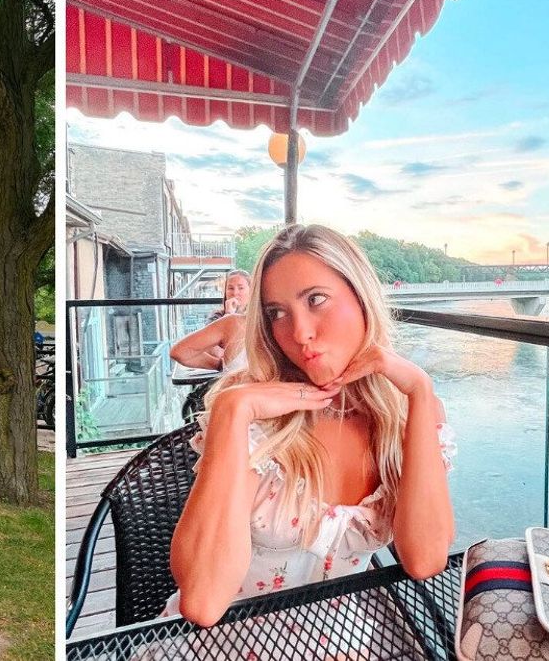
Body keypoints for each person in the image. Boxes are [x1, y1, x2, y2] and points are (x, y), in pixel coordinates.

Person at [167, 224, 455, 644]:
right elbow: (204, 602)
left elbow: (425, 559)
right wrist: (233, 409)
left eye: (316, 300)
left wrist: (420, 391)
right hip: (226, 644)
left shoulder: (406, 415)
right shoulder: (253, 422)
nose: (298, 333)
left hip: (340, 639)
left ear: (361, 297)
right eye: (277, 313)